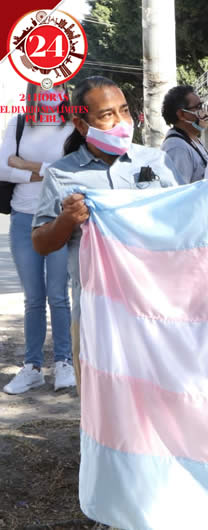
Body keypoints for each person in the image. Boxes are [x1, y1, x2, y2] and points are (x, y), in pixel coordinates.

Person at [32, 76, 180, 393]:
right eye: (106, 115)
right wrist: (66, 220)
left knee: (159, 399)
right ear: (81, 124)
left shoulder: (155, 161)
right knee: (102, 403)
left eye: (124, 110)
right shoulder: (61, 174)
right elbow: (41, 243)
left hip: (156, 307)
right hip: (95, 314)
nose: (121, 122)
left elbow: (185, 219)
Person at [0, 83, 75, 394]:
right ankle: (31, 367)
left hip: (59, 219)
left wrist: (26, 166)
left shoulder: (72, 125)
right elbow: (2, 168)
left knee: (58, 295)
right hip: (23, 218)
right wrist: (43, 172)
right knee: (33, 298)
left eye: (57, 84)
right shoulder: (18, 123)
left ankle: (64, 363)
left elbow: (71, 171)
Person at [161, 85, 208, 184]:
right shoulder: (177, 148)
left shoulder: (192, 140)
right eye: (198, 107)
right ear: (181, 114)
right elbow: (178, 190)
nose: (204, 113)